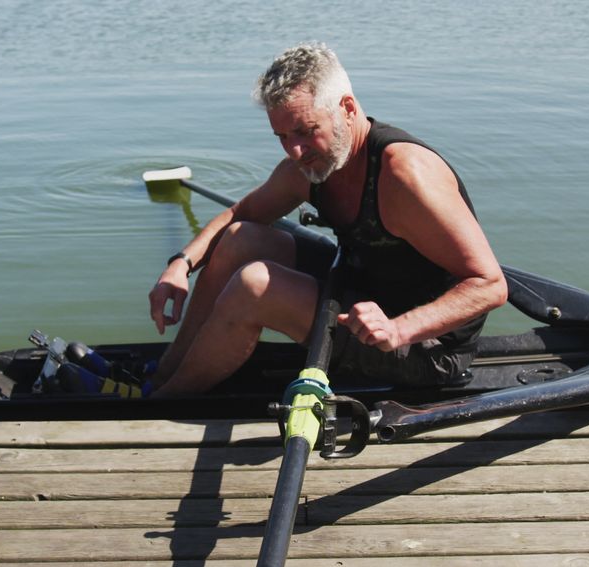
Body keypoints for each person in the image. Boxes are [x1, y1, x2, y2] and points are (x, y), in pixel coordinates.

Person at [146, 42, 507, 398]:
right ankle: (163, 373)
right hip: (358, 287)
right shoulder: (309, 166)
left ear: (347, 108)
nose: (294, 151)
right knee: (241, 238)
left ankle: (162, 403)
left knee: (254, 286)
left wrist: (398, 329)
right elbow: (240, 214)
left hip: (425, 346)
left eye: (305, 131)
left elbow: (490, 284)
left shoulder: (405, 178)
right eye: (282, 136)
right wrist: (182, 264)